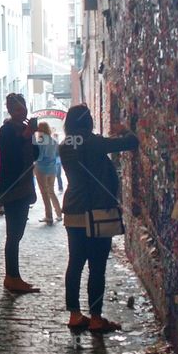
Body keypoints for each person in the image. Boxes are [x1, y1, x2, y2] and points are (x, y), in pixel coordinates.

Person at [59, 104, 139, 333]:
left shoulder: (65, 145)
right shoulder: (95, 142)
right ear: (88, 121)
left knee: (75, 264)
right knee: (97, 266)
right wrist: (125, 129)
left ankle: (74, 314)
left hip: (73, 210)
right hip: (98, 211)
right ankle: (95, 317)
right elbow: (130, 143)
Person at [0, 93, 39, 294]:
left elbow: (35, 154)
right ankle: (11, 277)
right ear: (12, 111)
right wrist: (26, 136)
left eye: (25, 109)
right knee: (13, 234)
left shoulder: (23, 129)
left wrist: (32, 135)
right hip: (13, 188)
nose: (23, 113)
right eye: (19, 109)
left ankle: (14, 276)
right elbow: (10, 157)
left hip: (24, 186)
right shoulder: (6, 130)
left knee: (17, 234)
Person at [34, 122, 63, 223]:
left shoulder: (40, 140)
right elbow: (56, 154)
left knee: (44, 193)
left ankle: (49, 216)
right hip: (52, 169)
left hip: (42, 169)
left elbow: (39, 156)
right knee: (51, 191)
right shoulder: (54, 141)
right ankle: (59, 213)